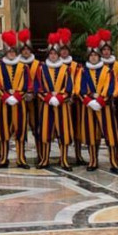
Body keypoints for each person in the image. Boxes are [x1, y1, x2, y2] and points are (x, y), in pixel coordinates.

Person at [79, 33, 118, 174]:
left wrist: (101, 100)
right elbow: (80, 89)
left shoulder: (108, 71)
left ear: (99, 56)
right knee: (92, 135)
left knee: (110, 134)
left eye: (95, 55)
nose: (93, 57)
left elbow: (111, 87)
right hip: (89, 107)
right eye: (91, 55)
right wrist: (90, 100)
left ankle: (113, 162)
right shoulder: (83, 71)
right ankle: (93, 160)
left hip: (105, 107)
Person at [0, 31, 31, 169]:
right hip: (4, 103)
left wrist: (17, 96)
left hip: (19, 103)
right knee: (3, 131)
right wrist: (6, 97)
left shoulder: (24, 67)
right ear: (6, 52)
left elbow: (27, 84)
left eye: (14, 51)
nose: (12, 54)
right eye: (9, 51)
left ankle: (21, 159)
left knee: (20, 131)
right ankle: (3, 158)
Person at [36, 31, 74, 170]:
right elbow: (38, 87)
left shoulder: (65, 69)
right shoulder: (42, 69)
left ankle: (64, 159)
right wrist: (48, 98)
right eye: (51, 54)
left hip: (62, 105)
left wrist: (60, 97)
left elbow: (69, 87)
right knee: (45, 132)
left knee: (63, 132)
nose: (53, 56)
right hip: (47, 105)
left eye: (55, 54)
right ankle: (44, 159)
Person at [57, 29, 85, 166]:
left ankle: (78, 154)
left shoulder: (76, 66)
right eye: (62, 49)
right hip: (61, 101)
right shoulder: (55, 66)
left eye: (66, 49)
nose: (64, 52)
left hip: (75, 102)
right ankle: (63, 155)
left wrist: (73, 94)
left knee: (77, 128)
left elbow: (78, 81)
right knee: (62, 129)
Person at [16, 29, 41, 160]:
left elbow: (39, 80)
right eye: (23, 50)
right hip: (20, 98)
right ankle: (21, 155)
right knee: (20, 127)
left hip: (34, 100)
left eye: (27, 49)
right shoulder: (16, 65)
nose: (26, 51)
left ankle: (40, 153)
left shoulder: (38, 64)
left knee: (36, 126)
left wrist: (33, 93)